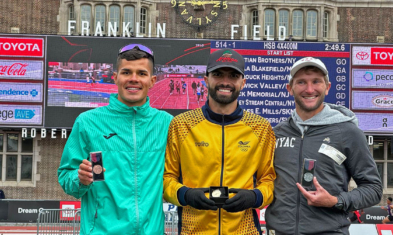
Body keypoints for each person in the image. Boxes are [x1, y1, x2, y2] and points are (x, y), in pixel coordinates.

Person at [57, 44, 173, 234]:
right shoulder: (88, 122)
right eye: (126, 72)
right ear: (115, 77)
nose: (133, 79)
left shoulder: (167, 124)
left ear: (152, 80)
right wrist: (80, 179)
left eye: (141, 73)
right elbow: (66, 175)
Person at [163, 48, 276, 234]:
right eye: (217, 74)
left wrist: (255, 197)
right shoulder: (181, 124)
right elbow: (167, 179)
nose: (225, 82)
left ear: (243, 82)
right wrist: (185, 194)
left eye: (233, 75)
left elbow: (269, 180)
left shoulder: (261, 127)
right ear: (206, 80)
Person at [265, 57, 382, 235]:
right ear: (290, 88)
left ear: (327, 87)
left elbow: (373, 189)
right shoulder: (276, 133)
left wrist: (336, 201)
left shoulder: (348, 132)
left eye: (316, 81)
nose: (309, 89)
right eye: (301, 82)